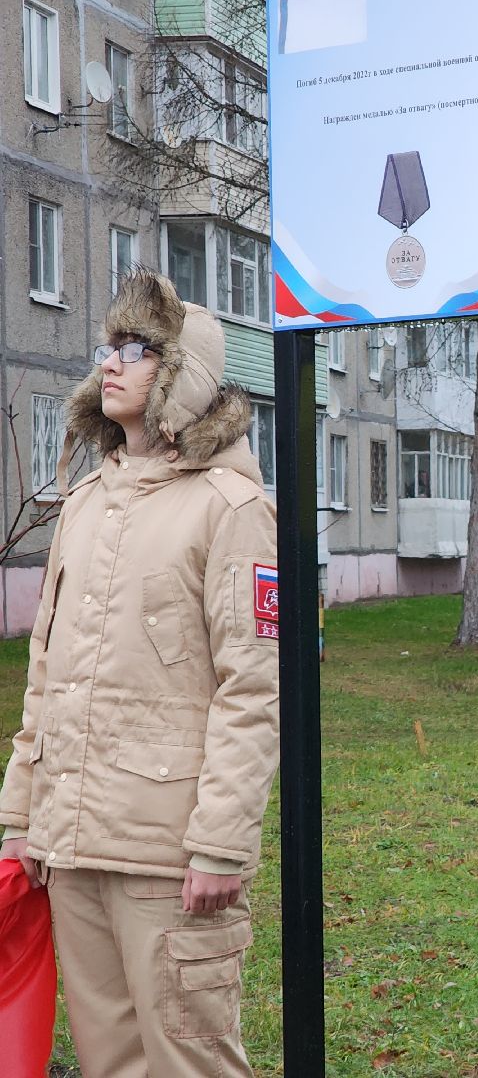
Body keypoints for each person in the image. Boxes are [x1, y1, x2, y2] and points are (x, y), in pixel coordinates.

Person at [0, 269, 279, 1077]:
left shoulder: (230, 508)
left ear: (182, 373)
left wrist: (221, 845)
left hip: (169, 856)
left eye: (137, 349)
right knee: (110, 1063)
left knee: (190, 1063)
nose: (109, 363)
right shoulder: (84, 502)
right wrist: (23, 819)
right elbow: (44, 676)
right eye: (108, 346)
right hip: (72, 843)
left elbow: (252, 689)